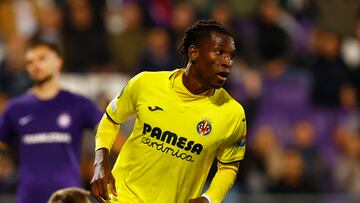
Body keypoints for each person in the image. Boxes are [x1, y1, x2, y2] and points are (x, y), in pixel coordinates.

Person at [90, 20, 247, 203]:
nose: (227, 62)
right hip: (121, 196)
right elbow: (110, 119)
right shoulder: (145, 83)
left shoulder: (233, 113)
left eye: (231, 56)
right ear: (194, 53)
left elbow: (228, 167)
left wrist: (209, 198)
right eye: (219, 52)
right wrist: (101, 162)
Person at [0, 40, 102, 203]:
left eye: (42, 58)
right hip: (29, 197)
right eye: (30, 62)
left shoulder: (79, 104)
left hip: (69, 197)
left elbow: (107, 134)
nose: (35, 65)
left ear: (58, 62)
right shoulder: (16, 108)